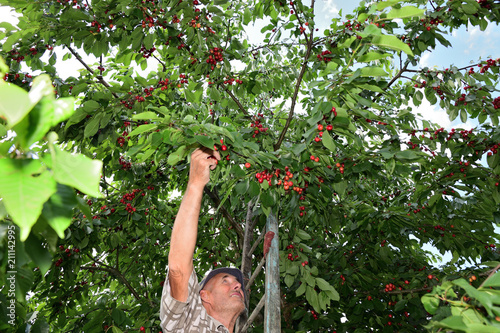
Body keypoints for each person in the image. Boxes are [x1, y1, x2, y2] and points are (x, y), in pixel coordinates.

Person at [160, 148, 246, 333]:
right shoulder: (186, 324)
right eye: (225, 281)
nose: (238, 285)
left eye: (232, 282)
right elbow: (179, 270)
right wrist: (196, 184)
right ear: (204, 296)